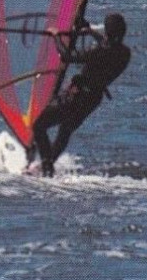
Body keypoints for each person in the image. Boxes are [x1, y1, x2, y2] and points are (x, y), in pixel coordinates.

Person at [30, 12, 130, 176]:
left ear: (107, 31)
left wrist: (56, 36)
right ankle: (47, 165)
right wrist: (90, 32)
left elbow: (67, 56)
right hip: (92, 100)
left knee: (38, 125)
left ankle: (47, 167)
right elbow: (109, 45)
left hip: (77, 98)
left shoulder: (99, 53)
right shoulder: (125, 54)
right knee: (65, 129)